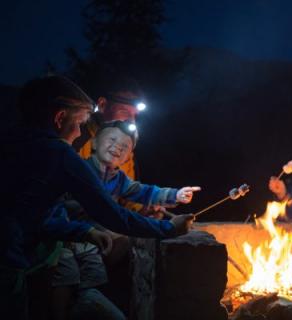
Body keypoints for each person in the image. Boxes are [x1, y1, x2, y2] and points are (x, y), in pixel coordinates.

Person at [0, 75, 193, 319]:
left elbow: (39, 210)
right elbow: (109, 213)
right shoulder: (61, 153)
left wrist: (84, 232)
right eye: (79, 122)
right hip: (15, 261)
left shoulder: (10, 140)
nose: (80, 130)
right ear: (59, 118)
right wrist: (168, 228)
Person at [50, 120, 201, 320]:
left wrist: (175, 194)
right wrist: (167, 227)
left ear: (128, 157)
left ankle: (85, 305)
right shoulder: (81, 169)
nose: (117, 147)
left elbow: (142, 191)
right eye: (112, 139)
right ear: (94, 143)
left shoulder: (118, 179)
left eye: (125, 147)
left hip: (91, 241)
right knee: (64, 278)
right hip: (64, 238)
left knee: (94, 277)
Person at [73, 77, 146, 180]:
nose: (131, 121)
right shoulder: (75, 137)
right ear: (102, 105)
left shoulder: (127, 155)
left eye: (135, 115)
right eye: (124, 112)